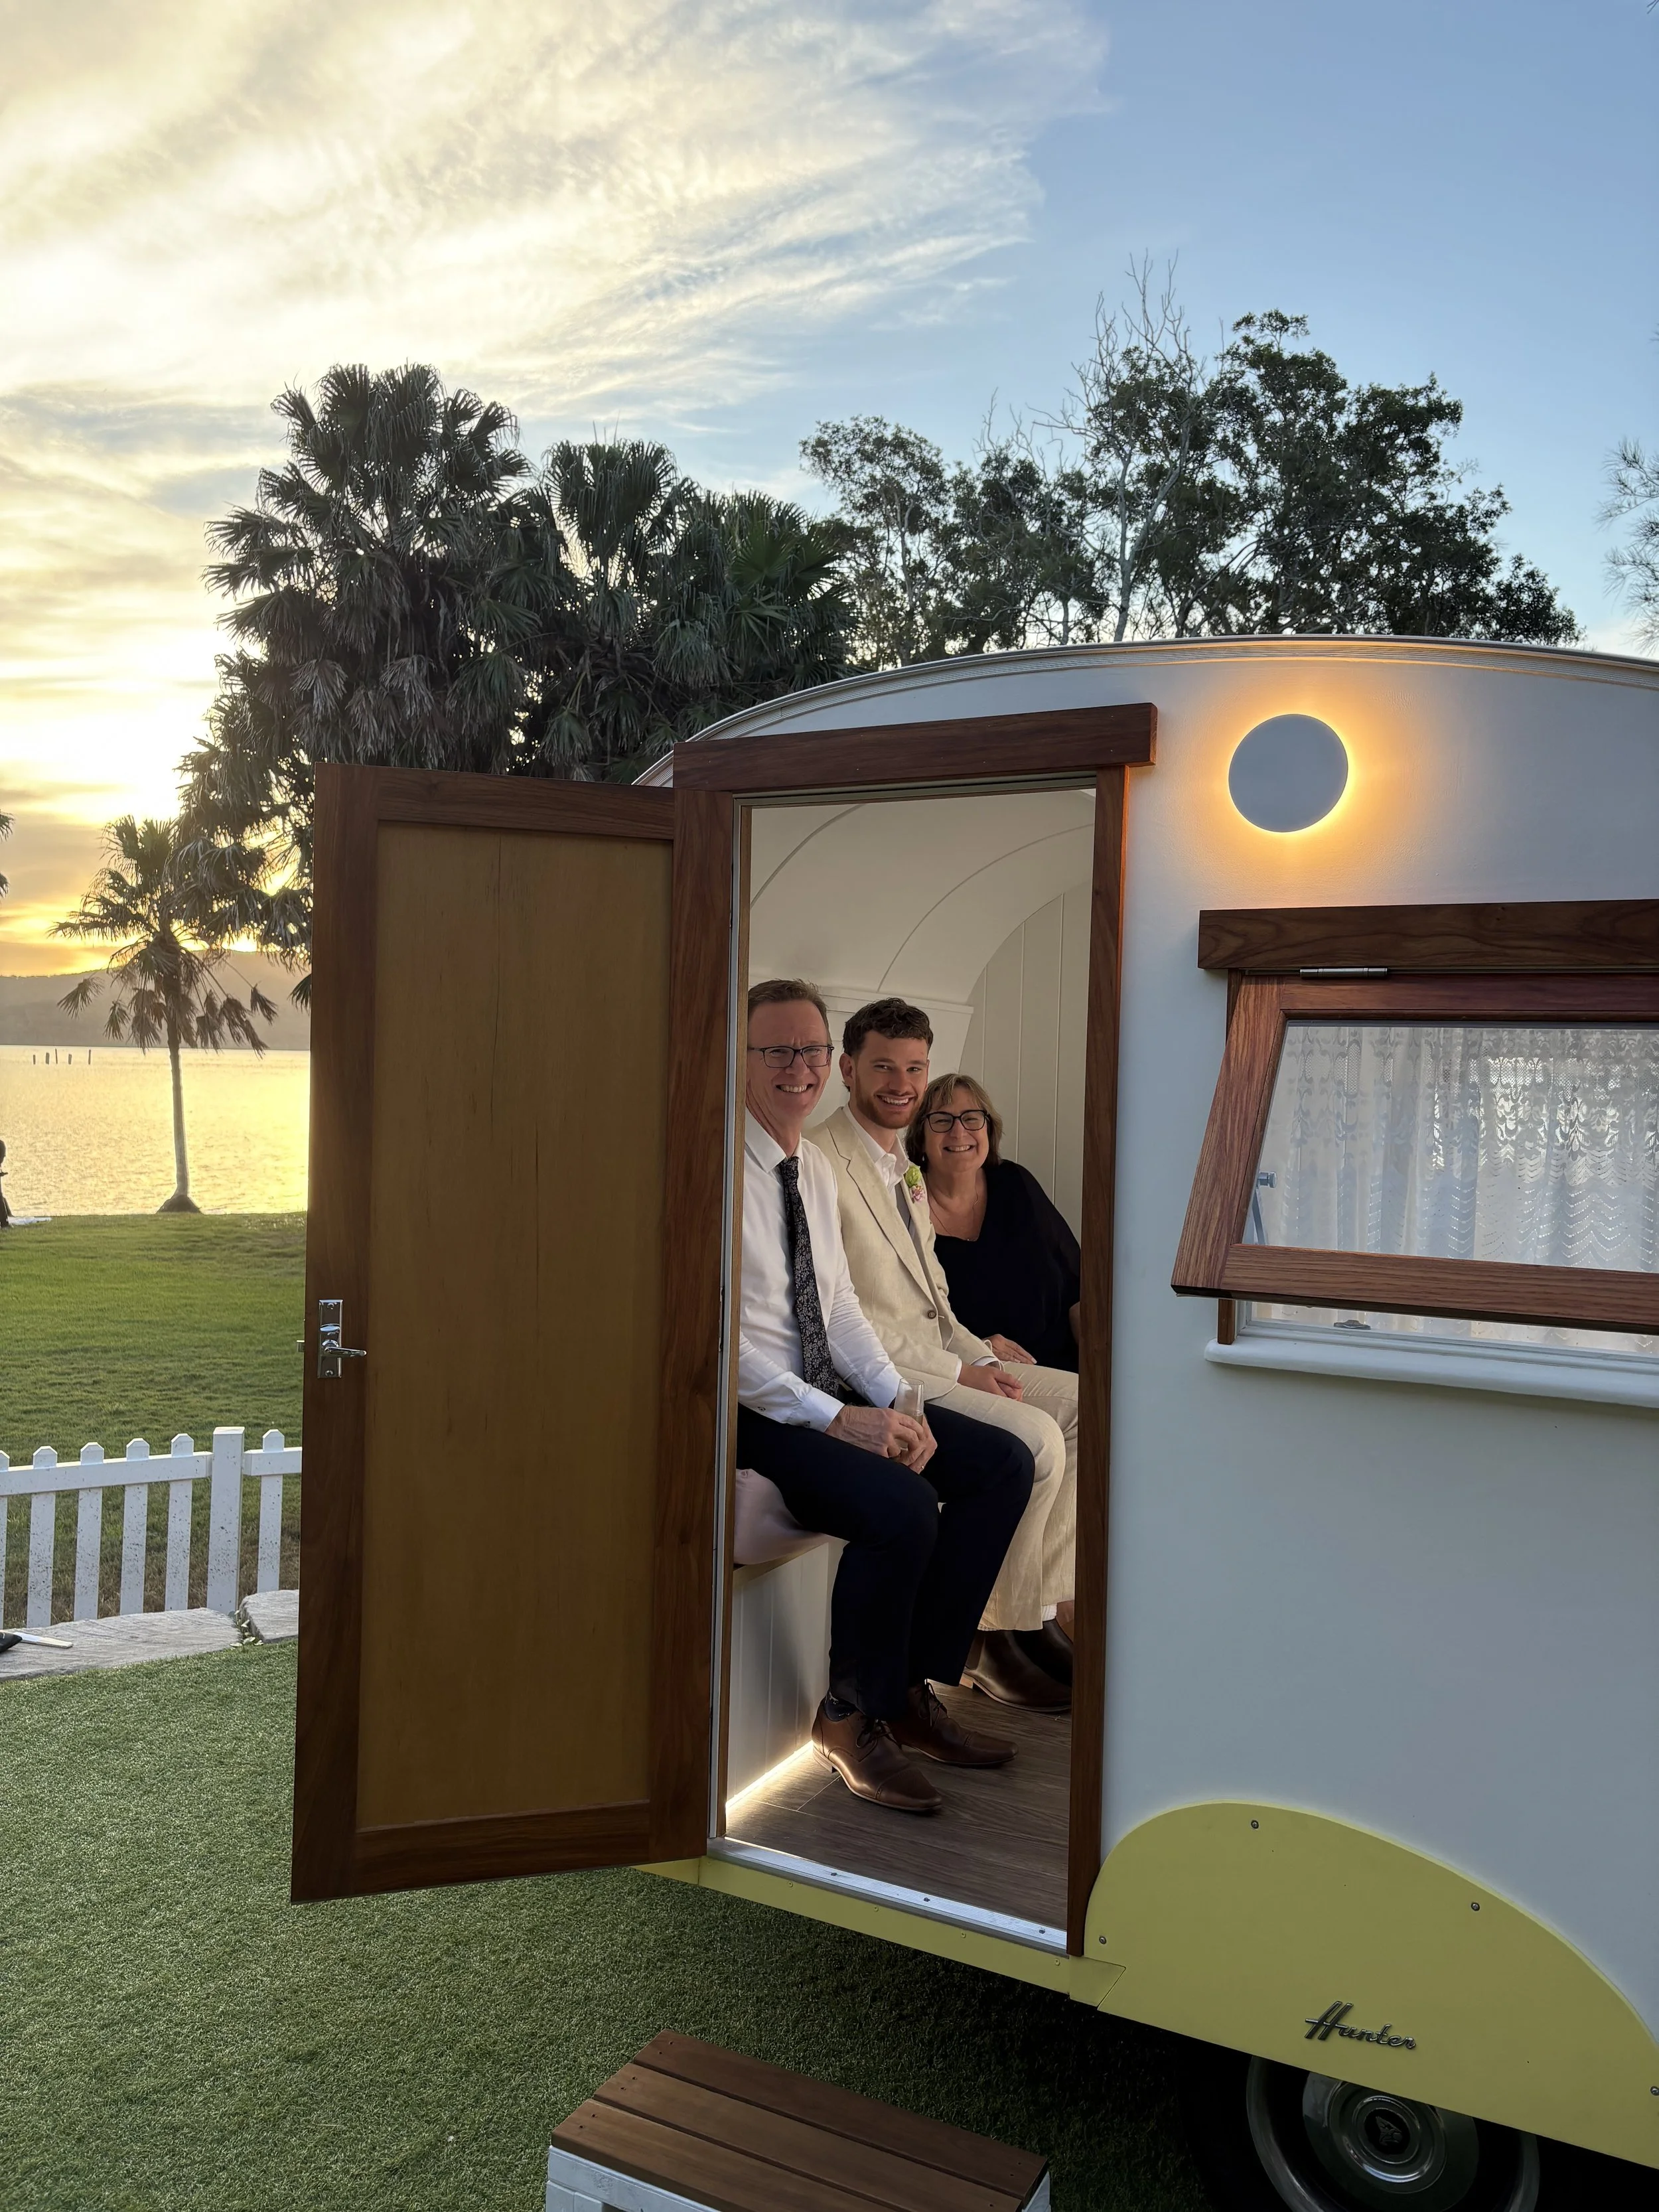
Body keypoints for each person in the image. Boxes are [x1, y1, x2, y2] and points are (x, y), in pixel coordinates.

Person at [736, 978, 1037, 1816]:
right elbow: (716, 1344)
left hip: (830, 1388)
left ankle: (905, 1689)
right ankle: (847, 1715)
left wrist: (899, 1399)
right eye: (776, 1050)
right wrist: (837, 1417)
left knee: (1000, 1464)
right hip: (753, 1407)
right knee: (901, 1507)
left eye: (809, 1051)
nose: (797, 1067)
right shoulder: (718, 1169)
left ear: (829, 1065)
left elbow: (836, 1310)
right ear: (743, 1057)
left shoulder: (812, 1171)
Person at [807, 999, 1078, 1712]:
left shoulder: (901, 1166)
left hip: (941, 1351)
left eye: (913, 1068)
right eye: (883, 1067)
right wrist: (960, 1372)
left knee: (1085, 1406)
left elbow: (938, 1302)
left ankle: (1026, 1614)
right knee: (1037, 1437)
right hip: (881, 1371)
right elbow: (846, 1318)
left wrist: (974, 1356)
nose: (901, 1082)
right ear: (846, 1069)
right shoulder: (820, 1164)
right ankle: (986, 1637)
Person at [909, 1073, 1082, 1376]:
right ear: (920, 1136)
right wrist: (976, 1349)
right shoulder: (906, 1205)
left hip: (1065, 1370)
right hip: (977, 1376)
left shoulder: (1014, 1183)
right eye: (941, 1120)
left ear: (989, 1129)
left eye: (972, 1118)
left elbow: (1078, 1289)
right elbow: (903, 1323)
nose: (959, 1131)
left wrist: (1104, 1375)